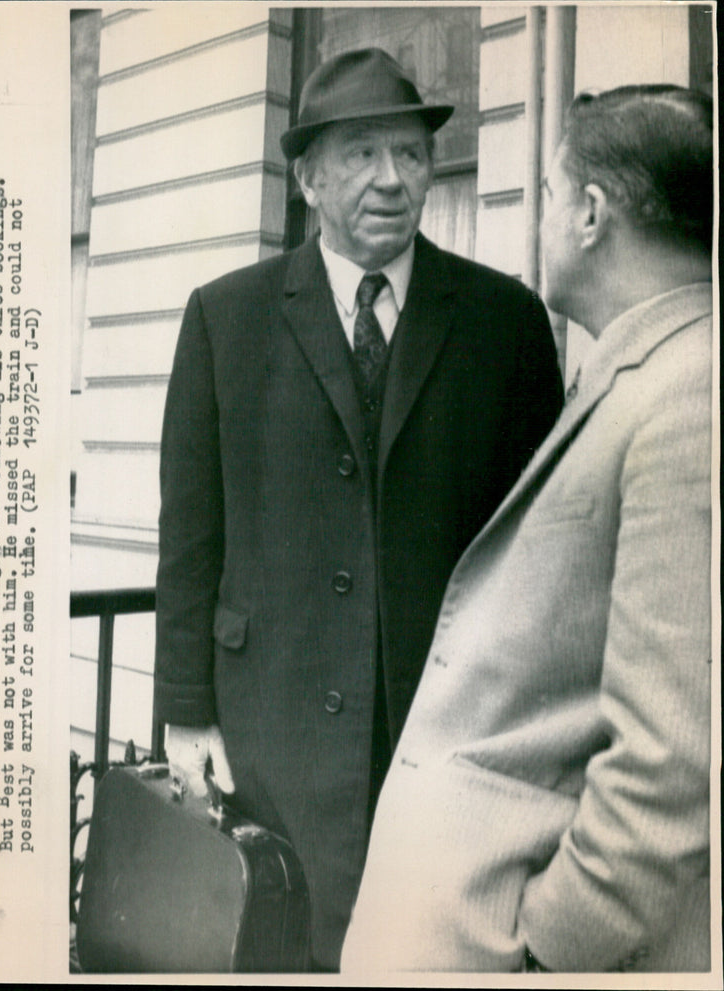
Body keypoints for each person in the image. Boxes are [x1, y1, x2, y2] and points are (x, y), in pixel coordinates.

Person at [154, 47, 563, 970]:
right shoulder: (226, 317)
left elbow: (540, 550)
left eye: (411, 155)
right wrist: (186, 712)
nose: (393, 179)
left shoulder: (505, 321)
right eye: (362, 155)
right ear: (307, 177)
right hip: (272, 728)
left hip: (445, 734)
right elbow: (191, 531)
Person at [341, 84, 714, 973]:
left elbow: (671, 760)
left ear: (589, 214)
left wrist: (550, 948)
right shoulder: (637, 368)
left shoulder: (691, 392)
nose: (540, 219)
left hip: (503, 944)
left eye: (548, 195)